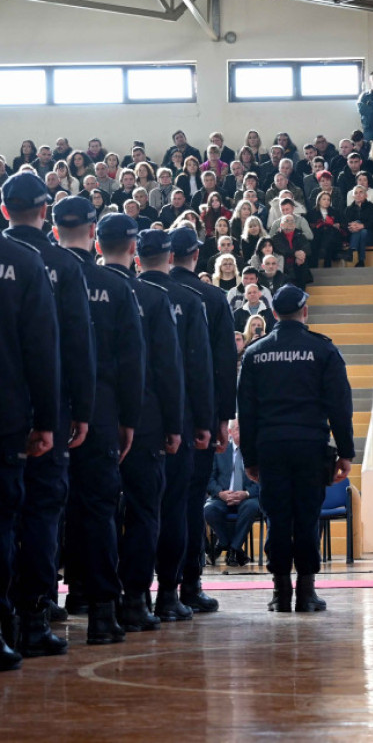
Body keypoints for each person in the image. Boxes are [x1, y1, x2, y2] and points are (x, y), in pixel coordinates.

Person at [2, 183, 95, 655]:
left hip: (20, 405)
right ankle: (34, 618)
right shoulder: (56, 263)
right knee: (40, 511)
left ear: (4, 210)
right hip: (38, 408)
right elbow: (71, 345)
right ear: (45, 211)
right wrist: (79, 410)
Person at [238, 284, 354, 612]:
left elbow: (245, 411)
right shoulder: (323, 350)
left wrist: (249, 457)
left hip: (271, 447)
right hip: (310, 446)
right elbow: (339, 406)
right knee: (306, 517)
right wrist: (345, 451)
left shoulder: (255, 352)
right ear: (305, 312)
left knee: (277, 518)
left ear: (273, 313)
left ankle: (279, 593)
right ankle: (306, 592)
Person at [62, 212, 145, 645]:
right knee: (98, 510)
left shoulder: (43, 271)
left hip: (48, 409)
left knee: (35, 512)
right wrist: (128, 420)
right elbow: (133, 362)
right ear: (92, 235)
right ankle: (100, 612)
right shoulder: (116, 286)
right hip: (100, 412)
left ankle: (28, 614)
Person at [104, 227, 184, 632]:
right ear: (132, 249)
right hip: (146, 420)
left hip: (96, 416)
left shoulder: (95, 287)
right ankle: (134, 599)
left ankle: (96, 598)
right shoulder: (154, 297)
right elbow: (168, 369)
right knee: (143, 512)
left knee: (98, 511)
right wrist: (174, 424)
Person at [0, 174, 60, 672]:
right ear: (44, 211)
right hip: (7, 413)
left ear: (4, 210)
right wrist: (47, 419)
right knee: (7, 519)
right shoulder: (24, 261)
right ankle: (16, 624)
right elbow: (44, 350)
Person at [140, 226, 215, 622]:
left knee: (132, 511)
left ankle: (128, 597)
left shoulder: (127, 291)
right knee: (175, 509)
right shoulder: (188, 299)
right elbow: (199, 370)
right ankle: (168, 594)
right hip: (178, 420)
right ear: (170, 257)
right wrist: (205, 422)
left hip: (128, 418)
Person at [169, 225, 237, 616]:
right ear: (196, 255)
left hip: (149, 416)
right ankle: (189, 585)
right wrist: (223, 418)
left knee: (154, 503)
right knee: (191, 502)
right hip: (199, 416)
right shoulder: (211, 297)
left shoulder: (143, 289)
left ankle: (146, 588)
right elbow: (224, 365)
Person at [204, 420, 261, 567]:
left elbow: (262, 482)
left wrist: (246, 493)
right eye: (238, 429)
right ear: (229, 432)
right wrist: (220, 493)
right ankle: (228, 544)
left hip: (247, 498)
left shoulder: (255, 451)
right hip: (223, 497)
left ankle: (232, 547)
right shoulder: (219, 450)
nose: (242, 432)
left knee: (252, 507)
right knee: (208, 509)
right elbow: (209, 479)